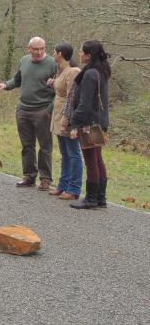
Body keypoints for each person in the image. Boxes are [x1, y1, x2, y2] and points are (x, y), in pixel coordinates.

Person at [0, 37, 57, 189]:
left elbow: (60, 89)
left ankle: (46, 178)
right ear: (29, 49)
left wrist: (50, 109)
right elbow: (18, 80)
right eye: (36, 49)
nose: (39, 52)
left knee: (45, 146)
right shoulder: (24, 61)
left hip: (43, 110)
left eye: (42, 48)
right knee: (27, 145)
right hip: (23, 109)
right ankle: (29, 176)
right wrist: (5, 85)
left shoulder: (53, 64)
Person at [69, 40, 111, 209]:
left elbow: (84, 104)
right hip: (101, 121)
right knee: (98, 158)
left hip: (89, 123)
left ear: (89, 55)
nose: (79, 54)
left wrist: (74, 123)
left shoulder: (89, 74)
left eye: (82, 51)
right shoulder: (102, 71)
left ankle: (91, 199)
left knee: (91, 161)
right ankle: (101, 198)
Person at [47, 42, 82, 200]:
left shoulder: (73, 71)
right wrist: (52, 83)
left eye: (54, 52)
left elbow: (72, 98)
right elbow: (60, 90)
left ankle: (74, 188)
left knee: (73, 153)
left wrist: (68, 121)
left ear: (60, 54)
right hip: (57, 114)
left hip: (67, 116)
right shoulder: (61, 70)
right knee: (64, 153)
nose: (53, 55)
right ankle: (63, 185)